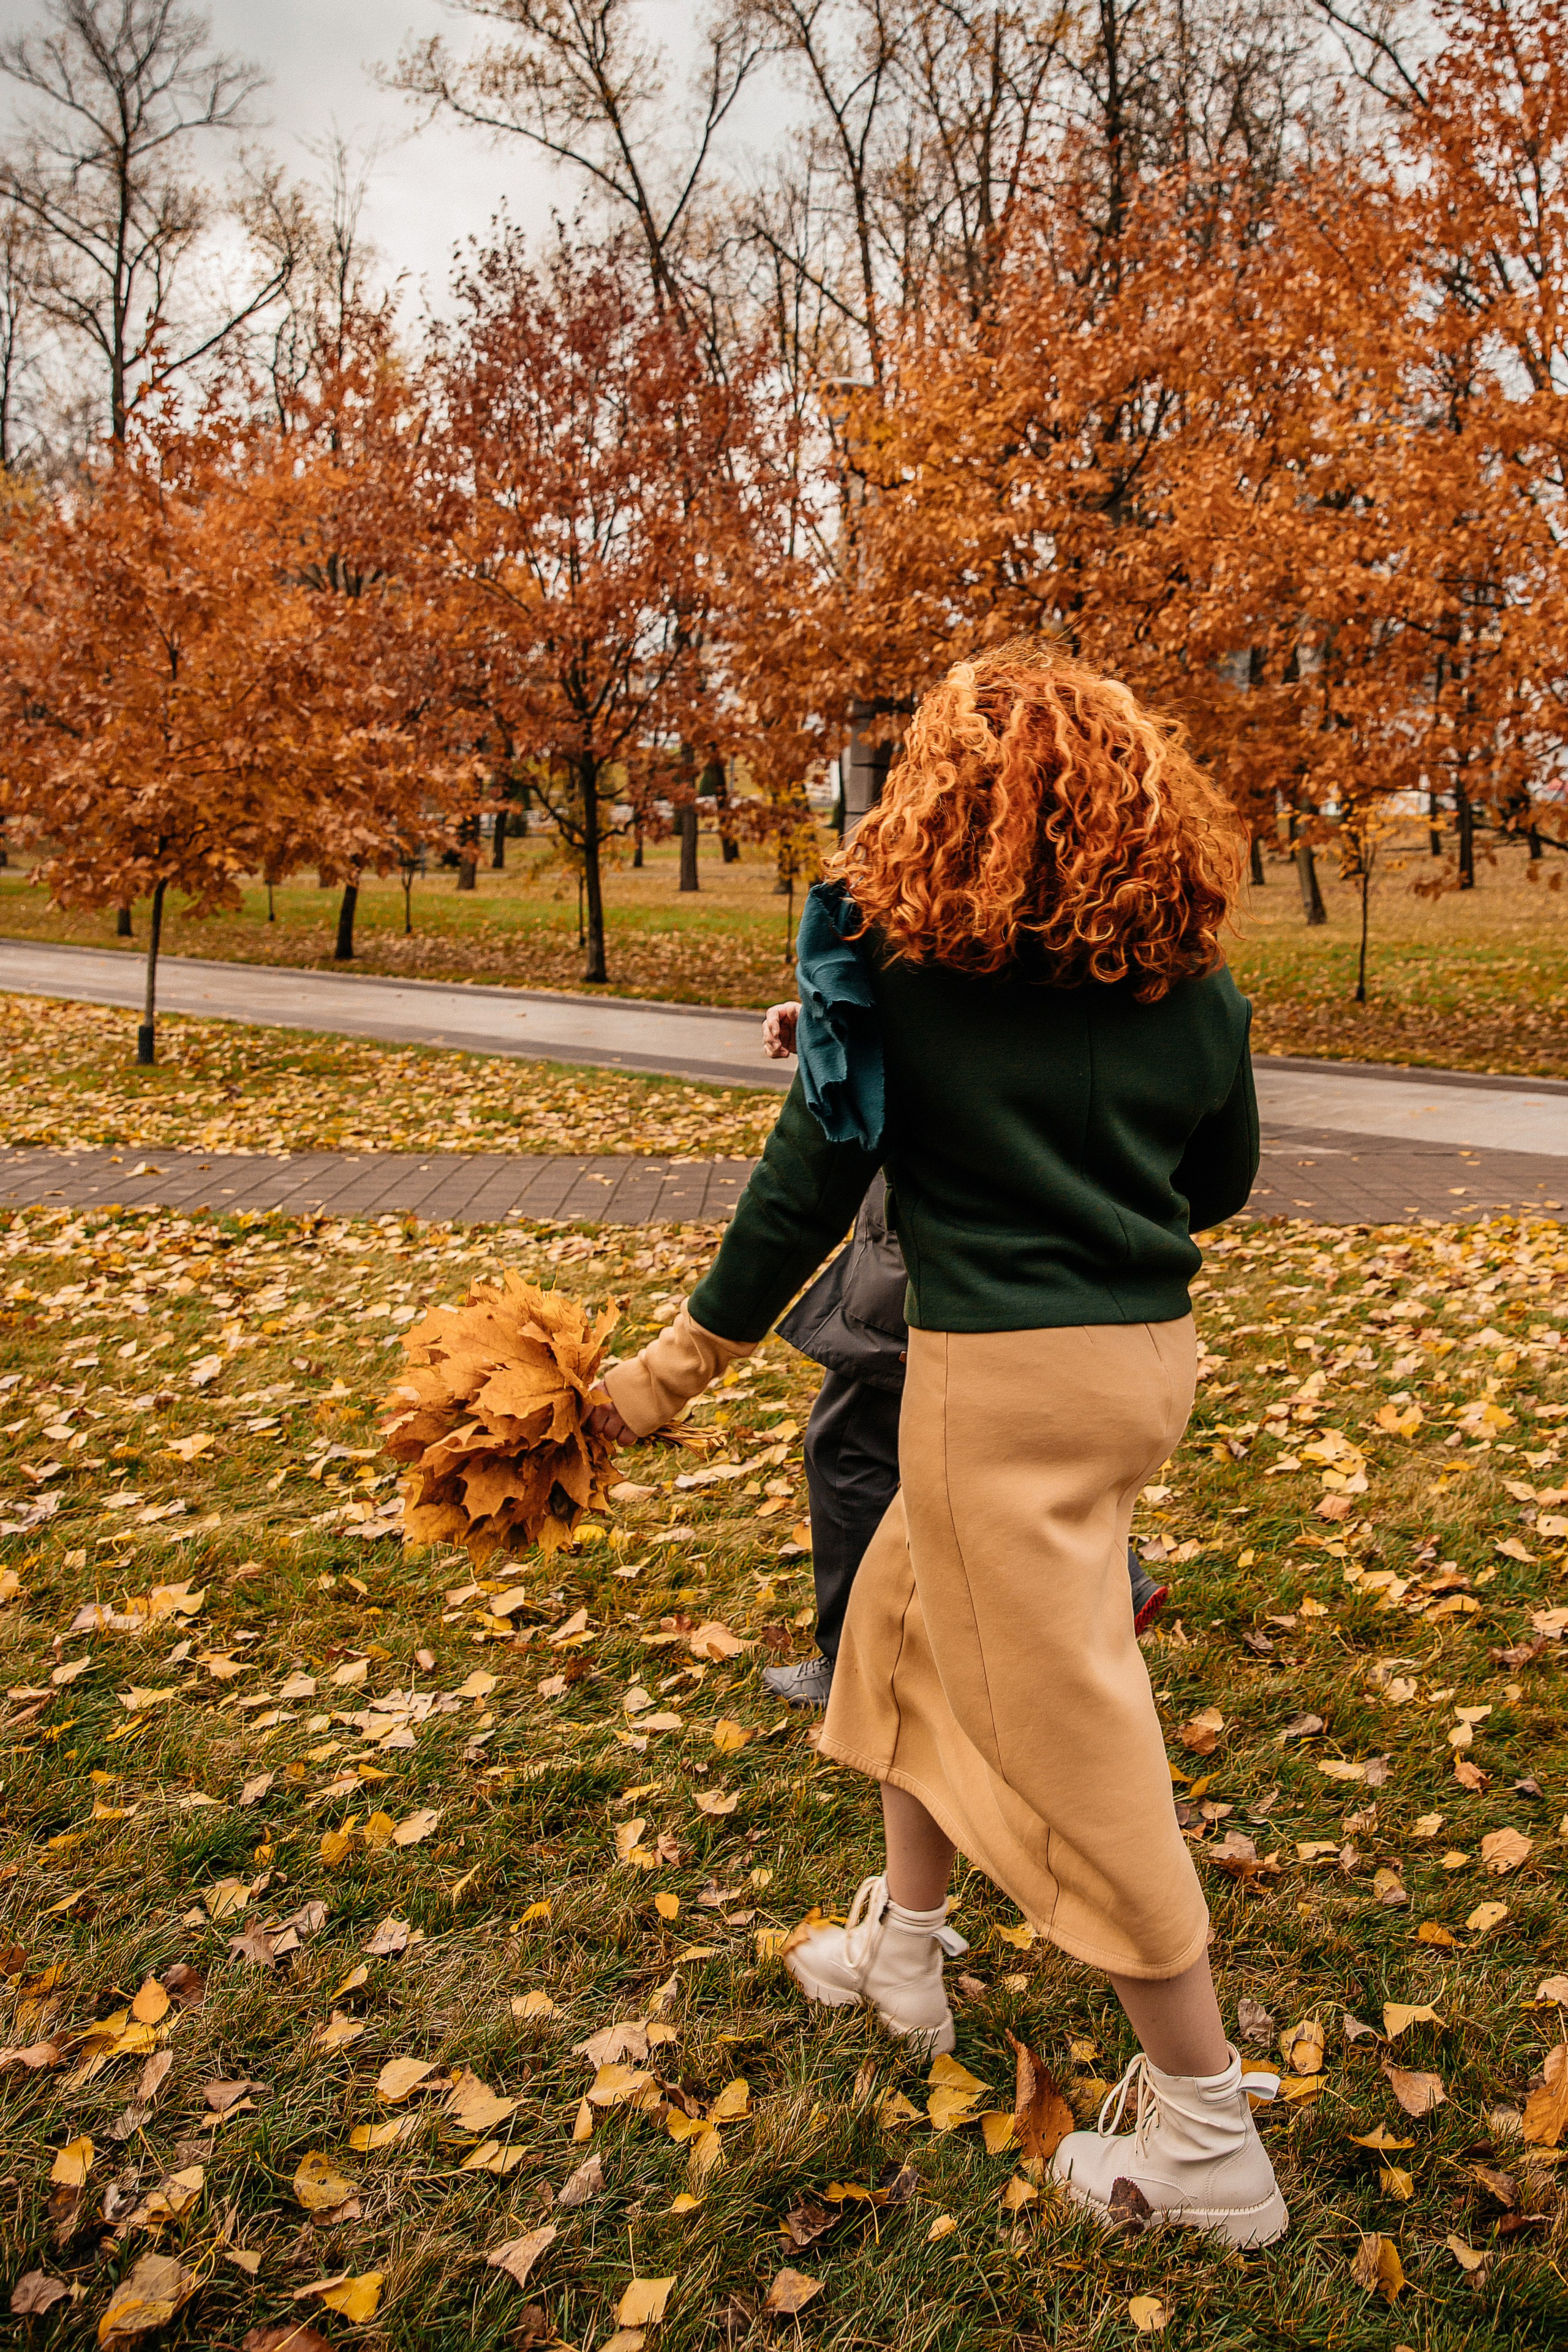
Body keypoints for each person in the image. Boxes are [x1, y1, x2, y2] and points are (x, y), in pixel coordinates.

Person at [592, 643, 1283, 2248]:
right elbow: (1223, 1181)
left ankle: (1204, 2140)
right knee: (899, 1633)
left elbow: (802, 1197)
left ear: (944, 800)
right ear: (1134, 799)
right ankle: (905, 1953)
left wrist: (670, 1369)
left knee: (1082, 1751)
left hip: (1000, 1391)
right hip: (1143, 1373)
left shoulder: (897, 976)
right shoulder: (1200, 984)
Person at [758, 1001, 1169, 1711]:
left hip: (928, 1246)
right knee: (1001, 1439)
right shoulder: (1107, 955)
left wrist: (844, 1034)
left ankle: (855, 1663)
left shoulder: (944, 941)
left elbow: (814, 1173)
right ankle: (1112, 1577)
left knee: (851, 1449)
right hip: (1036, 1250)